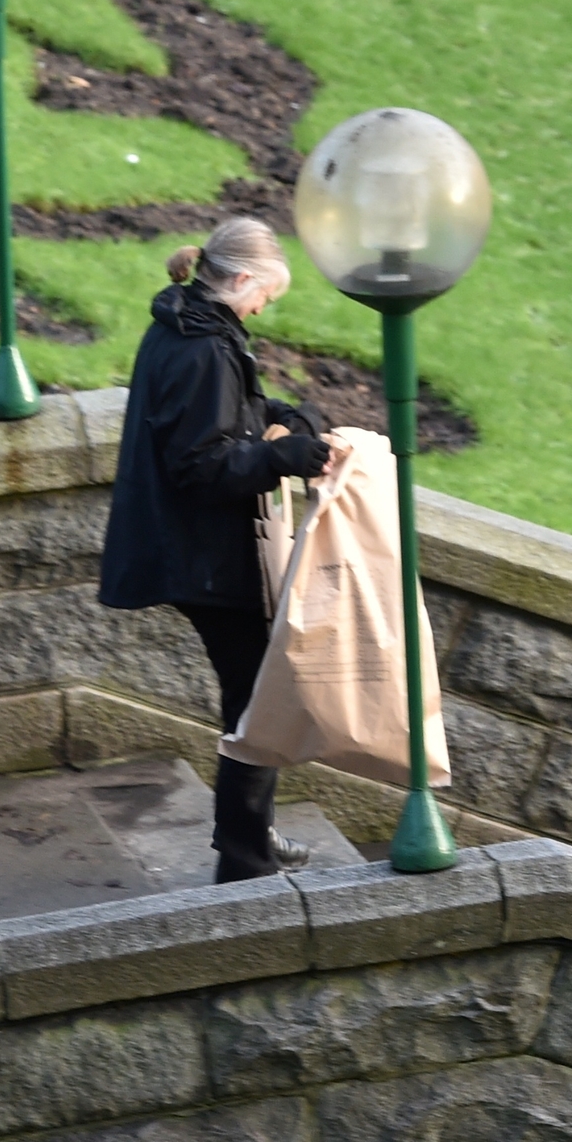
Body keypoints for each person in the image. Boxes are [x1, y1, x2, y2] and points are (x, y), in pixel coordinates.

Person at [98, 218, 331, 883]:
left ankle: (249, 836)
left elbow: (221, 419)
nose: (263, 310)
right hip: (205, 557)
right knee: (258, 697)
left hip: (191, 550)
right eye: (265, 297)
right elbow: (203, 464)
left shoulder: (185, 329)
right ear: (242, 280)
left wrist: (289, 419)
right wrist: (283, 454)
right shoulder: (203, 348)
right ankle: (243, 855)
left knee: (252, 691)